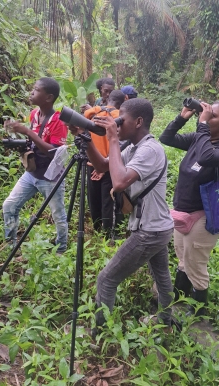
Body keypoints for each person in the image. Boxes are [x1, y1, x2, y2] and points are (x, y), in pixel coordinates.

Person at [70, 98, 174, 331]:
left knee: (106, 280)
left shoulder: (150, 150)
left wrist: (113, 138)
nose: (117, 125)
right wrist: (87, 140)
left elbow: (118, 182)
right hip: (158, 226)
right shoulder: (134, 147)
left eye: (121, 120)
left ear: (138, 122)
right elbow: (102, 167)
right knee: (162, 277)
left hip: (149, 231)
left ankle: (101, 332)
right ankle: (166, 321)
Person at [159, 100, 219, 316]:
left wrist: (202, 125)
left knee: (196, 263)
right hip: (182, 208)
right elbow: (166, 138)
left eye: (213, 115)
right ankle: (179, 293)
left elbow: (207, 157)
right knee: (183, 257)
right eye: (206, 112)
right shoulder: (199, 138)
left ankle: (198, 311)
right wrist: (182, 117)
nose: (204, 116)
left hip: (205, 214)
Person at [3, 77, 68, 254]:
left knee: (58, 215)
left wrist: (28, 132)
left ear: (48, 97)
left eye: (36, 89)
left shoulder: (58, 121)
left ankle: (61, 249)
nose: (32, 91)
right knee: (9, 205)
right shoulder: (34, 114)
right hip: (32, 173)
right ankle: (11, 245)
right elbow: (33, 141)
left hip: (51, 177)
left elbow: (53, 152)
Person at [84, 89, 126, 237]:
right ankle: (108, 236)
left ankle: (96, 231)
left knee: (93, 199)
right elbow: (121, 145)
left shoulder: (92, 113)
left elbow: (85, 136)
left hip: (91, 164)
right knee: (109, 202)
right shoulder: (119, 118)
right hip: (109, 166)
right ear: (122, 103)